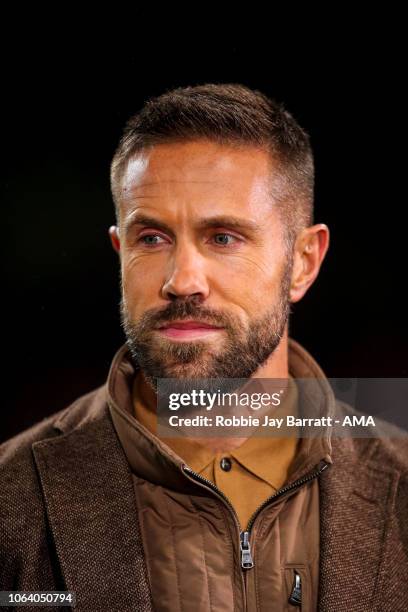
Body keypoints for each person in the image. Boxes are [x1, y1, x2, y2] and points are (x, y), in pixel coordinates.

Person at [1, 83, 407, 612]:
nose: (182, 281)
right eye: (152, 238)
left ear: (304, 262)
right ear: (119, 253)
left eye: (223, 238)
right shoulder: (11, 500)